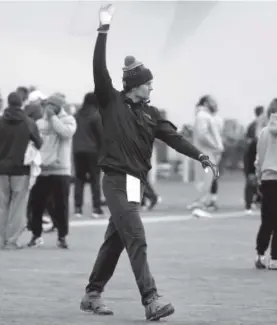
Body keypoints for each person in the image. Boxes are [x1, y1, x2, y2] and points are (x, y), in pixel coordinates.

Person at [80, 4, 219, 321]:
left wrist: (201, 155)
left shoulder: (153, 114)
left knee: (116, 240)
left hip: (134, 184)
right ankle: (151, 299)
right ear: (135, 85)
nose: (152, 86)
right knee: (137, 238)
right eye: (148, 83)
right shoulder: (110, 100)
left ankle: (92, 294)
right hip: (115, 179)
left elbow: (174, 138)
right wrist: (103, 30)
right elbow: (98, 66)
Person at [27, 94, 76, 249]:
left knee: (61, 205)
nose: (47, 107)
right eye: (46, 104)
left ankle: (62, 236)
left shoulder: (69, 120)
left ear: (58, 106)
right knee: (37, 204)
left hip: (61, 170)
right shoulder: (40, 122)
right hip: (42, 169)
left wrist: (53, 118)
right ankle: (36, 235)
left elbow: (65, 133)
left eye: (51, 105)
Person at [0, 92, 42, 249]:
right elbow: (39, 143)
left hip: (1, 169)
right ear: (22, 103)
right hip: (21, 169)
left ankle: (0, 239)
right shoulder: (28, 122)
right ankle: (11, 240)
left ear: (8, 103)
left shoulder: (1, 121)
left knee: (2, 205)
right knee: (18, 206)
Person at [255, 96, 277, 270]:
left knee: (267, 220)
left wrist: (259, 176)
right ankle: (275, 258)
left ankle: (260, 256)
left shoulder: (265, 131)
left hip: (267, 179)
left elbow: (259, 158)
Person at [187, 95, 223, 216]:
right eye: (212, 101)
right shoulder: (203, 116)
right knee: (205, 179)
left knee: (207, 178)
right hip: (206, 152)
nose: (215, 104)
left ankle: (201, 203)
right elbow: (203, 135)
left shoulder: (207, 116)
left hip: (208, 152)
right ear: (206, 103)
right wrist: (215, 146)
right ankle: (200, 205)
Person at [73, 92, 104, 218]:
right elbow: (101, 135)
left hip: (78, 151)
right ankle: (96, 208)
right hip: (93, 151)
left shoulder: (76, 116)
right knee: (95, 180)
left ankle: (78, 208)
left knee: (79, 179)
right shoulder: (96, 115)